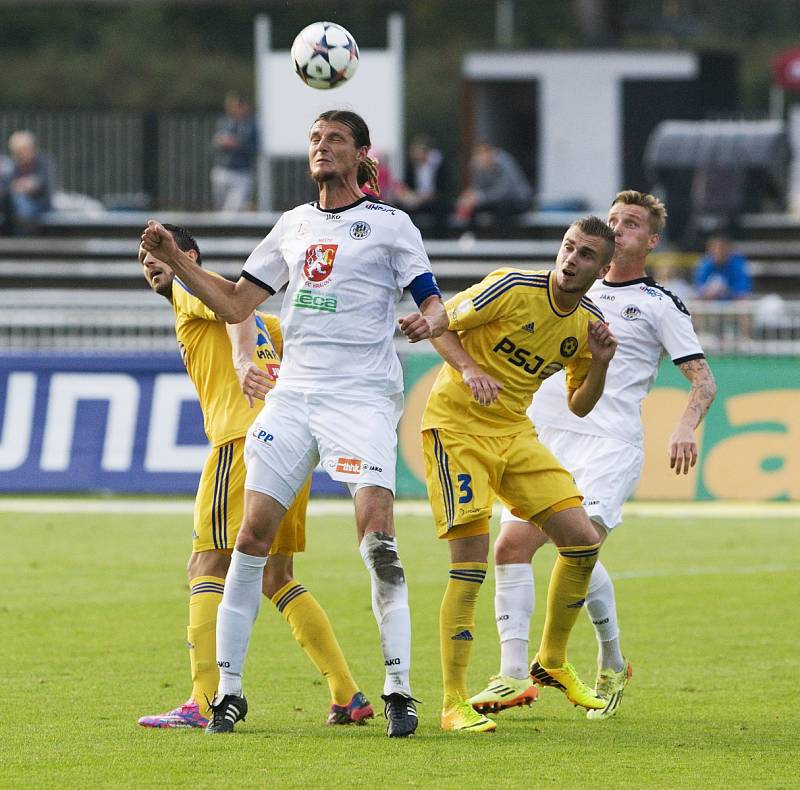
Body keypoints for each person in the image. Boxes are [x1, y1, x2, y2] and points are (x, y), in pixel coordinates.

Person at [140, 110, 449, 738]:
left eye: (335, 139)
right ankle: (227, 693)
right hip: (295, 396)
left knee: (378, 539)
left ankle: (398, 687)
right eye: (314, 139)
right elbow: (234, 303)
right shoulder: (293, 225)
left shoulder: (391, 226)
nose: (322, 147)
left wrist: (430, 322)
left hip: (361, 396)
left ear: (363, 154)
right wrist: (176, 260)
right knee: (250, 539)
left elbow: (434, 304)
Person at [469, 190, 717, 721]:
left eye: (631, 224)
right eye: (613, 220)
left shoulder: (658, 305)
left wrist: (685, 425)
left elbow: (703, 379)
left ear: (651, 241)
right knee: (511, 547)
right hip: (545, 435)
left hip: (609, 444)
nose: (619, 228)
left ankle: (601, 655)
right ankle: (515, 674)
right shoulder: (566, 291)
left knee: (576, 550)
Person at [137, 224, 372, 730]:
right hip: (289, 446)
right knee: (276, 576)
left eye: (158, 254)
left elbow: (233, 313)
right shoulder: (274, 323)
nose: (150, 264)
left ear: (189, 257)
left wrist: (243, 358)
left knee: (206, 565)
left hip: (241, 443)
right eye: (143, 259)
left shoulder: (191, 287)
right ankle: (346, 693)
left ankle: (201, 701)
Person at [421, 216, 619, 733]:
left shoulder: (586, 325)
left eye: (585, 255)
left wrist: (599, 363)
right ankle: (452, 703)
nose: (571, 259)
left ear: (603, 267)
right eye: (568, 247)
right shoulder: (512, 285)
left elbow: (579, 405)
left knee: (580, 540)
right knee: (470, 560)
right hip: (458, 429)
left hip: (514, 432)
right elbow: (440, 322)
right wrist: (469, 368)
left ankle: (550, 661)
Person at [454, 142, 532, 233]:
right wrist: (469, 198)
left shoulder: (504, 162)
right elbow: (477, 188)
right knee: (472, 207)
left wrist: (479, 197)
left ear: (490, 154)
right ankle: (471, 237)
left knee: (502, 208)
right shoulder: (477, 166)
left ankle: (502, 240)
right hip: (494, 201)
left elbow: (504, 191)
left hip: (517, 200)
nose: (481, 160)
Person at [210, 92, 258, 212]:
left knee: (232, 211)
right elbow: (215, 144)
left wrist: (237, 144)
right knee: (220, 209)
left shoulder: (251, 125)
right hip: (222, 170)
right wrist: (221, 142)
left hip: (241, 172)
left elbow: (254, 147)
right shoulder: (225, 122)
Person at [394, 135, 449, 236]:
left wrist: (429, 195)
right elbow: (407, 185)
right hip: (417, 199)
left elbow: (443, 187)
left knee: (440, 209)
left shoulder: (437, 167)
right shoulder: (411, 168)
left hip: (434, 199)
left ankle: (438, 236)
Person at [1, 130, 54, 235]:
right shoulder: (13, 165)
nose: (19, 155)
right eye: (16, 152)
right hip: (14, 208)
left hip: (38, 204)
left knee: (19, 200)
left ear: (31, 148)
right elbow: (7, 185)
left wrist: (26, 186)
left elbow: (42, 183)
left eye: (22, 151)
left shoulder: (43, 161)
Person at [693, 233, 753, 301]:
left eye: (721, 248)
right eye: (714, 248)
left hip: (733, 304)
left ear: (728, 249)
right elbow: (698, 286)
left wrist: (727, 292)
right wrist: (707, 292)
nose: (718, 252)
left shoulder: (738, 264)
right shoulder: (704, 264)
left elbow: (744, 289)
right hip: (709, 304)